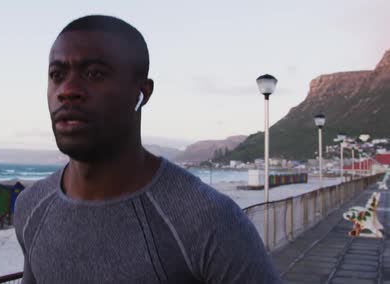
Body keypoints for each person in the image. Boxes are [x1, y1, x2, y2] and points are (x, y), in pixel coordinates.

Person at [14, 15, 282, 283]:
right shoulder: (31, 207)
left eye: (94, 73)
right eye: (56, 75)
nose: (67, 90)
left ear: (143, 92)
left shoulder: (209, 222)